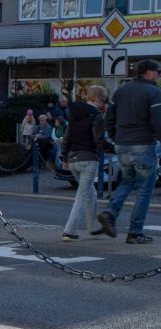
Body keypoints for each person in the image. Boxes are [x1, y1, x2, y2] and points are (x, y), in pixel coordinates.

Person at [98, 59, 161, 244]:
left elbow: (108, 118)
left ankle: (110, 213)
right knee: (144, 189)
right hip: (143, 143)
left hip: (122, 144)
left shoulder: (121, 91)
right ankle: (135, 232)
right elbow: (158, 121)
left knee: (127, 181)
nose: (159, 75)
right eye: (158, 71)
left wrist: (116, 137)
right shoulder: (154, 92)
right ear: (148, 72)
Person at [61, 85, 108, 241]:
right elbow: (98, 140)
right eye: (104, 100)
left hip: (73, 159)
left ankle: (93, 228)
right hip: (88, 158)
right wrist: (112, 149)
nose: (104, 103)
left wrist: (64, 156)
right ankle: (69, 231)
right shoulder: (97, 115)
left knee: (90, 192)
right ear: (98, 99)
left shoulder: (74, 113)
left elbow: (67, 137)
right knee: (82, 195)